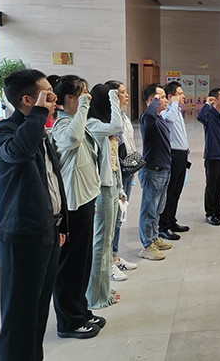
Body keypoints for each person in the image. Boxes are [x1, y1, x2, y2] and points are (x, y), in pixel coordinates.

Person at [0, 69, 68, 361]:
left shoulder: (40, 130)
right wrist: (38, 114)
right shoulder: (4, 131)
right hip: (22, 237)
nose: (54, 99)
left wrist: (61, 224)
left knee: (37, 315)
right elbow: (19, 151)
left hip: (47, 232)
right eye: (48, 95)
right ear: (28, 100)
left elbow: (52, 179)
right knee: (19, 320)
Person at [48, 75, 105, 339]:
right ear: (69, 98)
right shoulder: (62, 125)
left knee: (82, 261)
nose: (88, 97)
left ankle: (81, 310)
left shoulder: (76, 121)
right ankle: (68, 321)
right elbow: (72, 139)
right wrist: (83, 107)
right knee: (70, 263)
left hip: (85, 200)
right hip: (71, 205)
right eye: (82, 93)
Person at [86, 84, 123, 309]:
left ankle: (103, 289)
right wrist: (113, 96)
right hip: (103, 189)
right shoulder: (93, 125)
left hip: (112, 186)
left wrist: (121, 189)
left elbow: (113, 161)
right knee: (102, 241)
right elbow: (117, 125)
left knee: (107, 241)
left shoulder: (101, 125)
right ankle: (95, 297)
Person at [105, 80, 138, 280]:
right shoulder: (111, 119)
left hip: (127, 169)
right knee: (113, 219)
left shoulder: (124, 117)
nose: (127, 95)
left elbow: (129, 143)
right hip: (116, 172)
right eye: (122, 92)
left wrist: (134, 166)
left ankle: (115, 256)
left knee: (120, 217)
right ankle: (108, 262)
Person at [138, 84, 172, 260]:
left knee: (158, 208)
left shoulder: (159, 118)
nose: (166, 100)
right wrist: (154, 103)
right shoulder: (147, 119)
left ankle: (154, 237)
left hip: (163, 170)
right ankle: (147, 246)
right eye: (162, 97)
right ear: (152, 100)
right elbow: (149, 115)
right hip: (153, 171)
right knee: (149, 210)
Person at [158, 81, 191, 241]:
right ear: (170, 96)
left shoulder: (177, 110)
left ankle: (172, 220)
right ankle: (163, 226)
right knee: (170, 191)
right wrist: (174, 103)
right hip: (173, 155)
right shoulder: (166, 112)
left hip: (182, 155)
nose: (183, 96)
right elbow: (169, 120)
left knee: (177, 191)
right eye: (179, 94)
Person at [197, 88, 220, 226]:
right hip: (213, 156)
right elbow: (200, 117)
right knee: (211, 186)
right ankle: (210, 213)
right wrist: (207, 104)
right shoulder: (209, 115)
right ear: (215, 99)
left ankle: (218, 211)